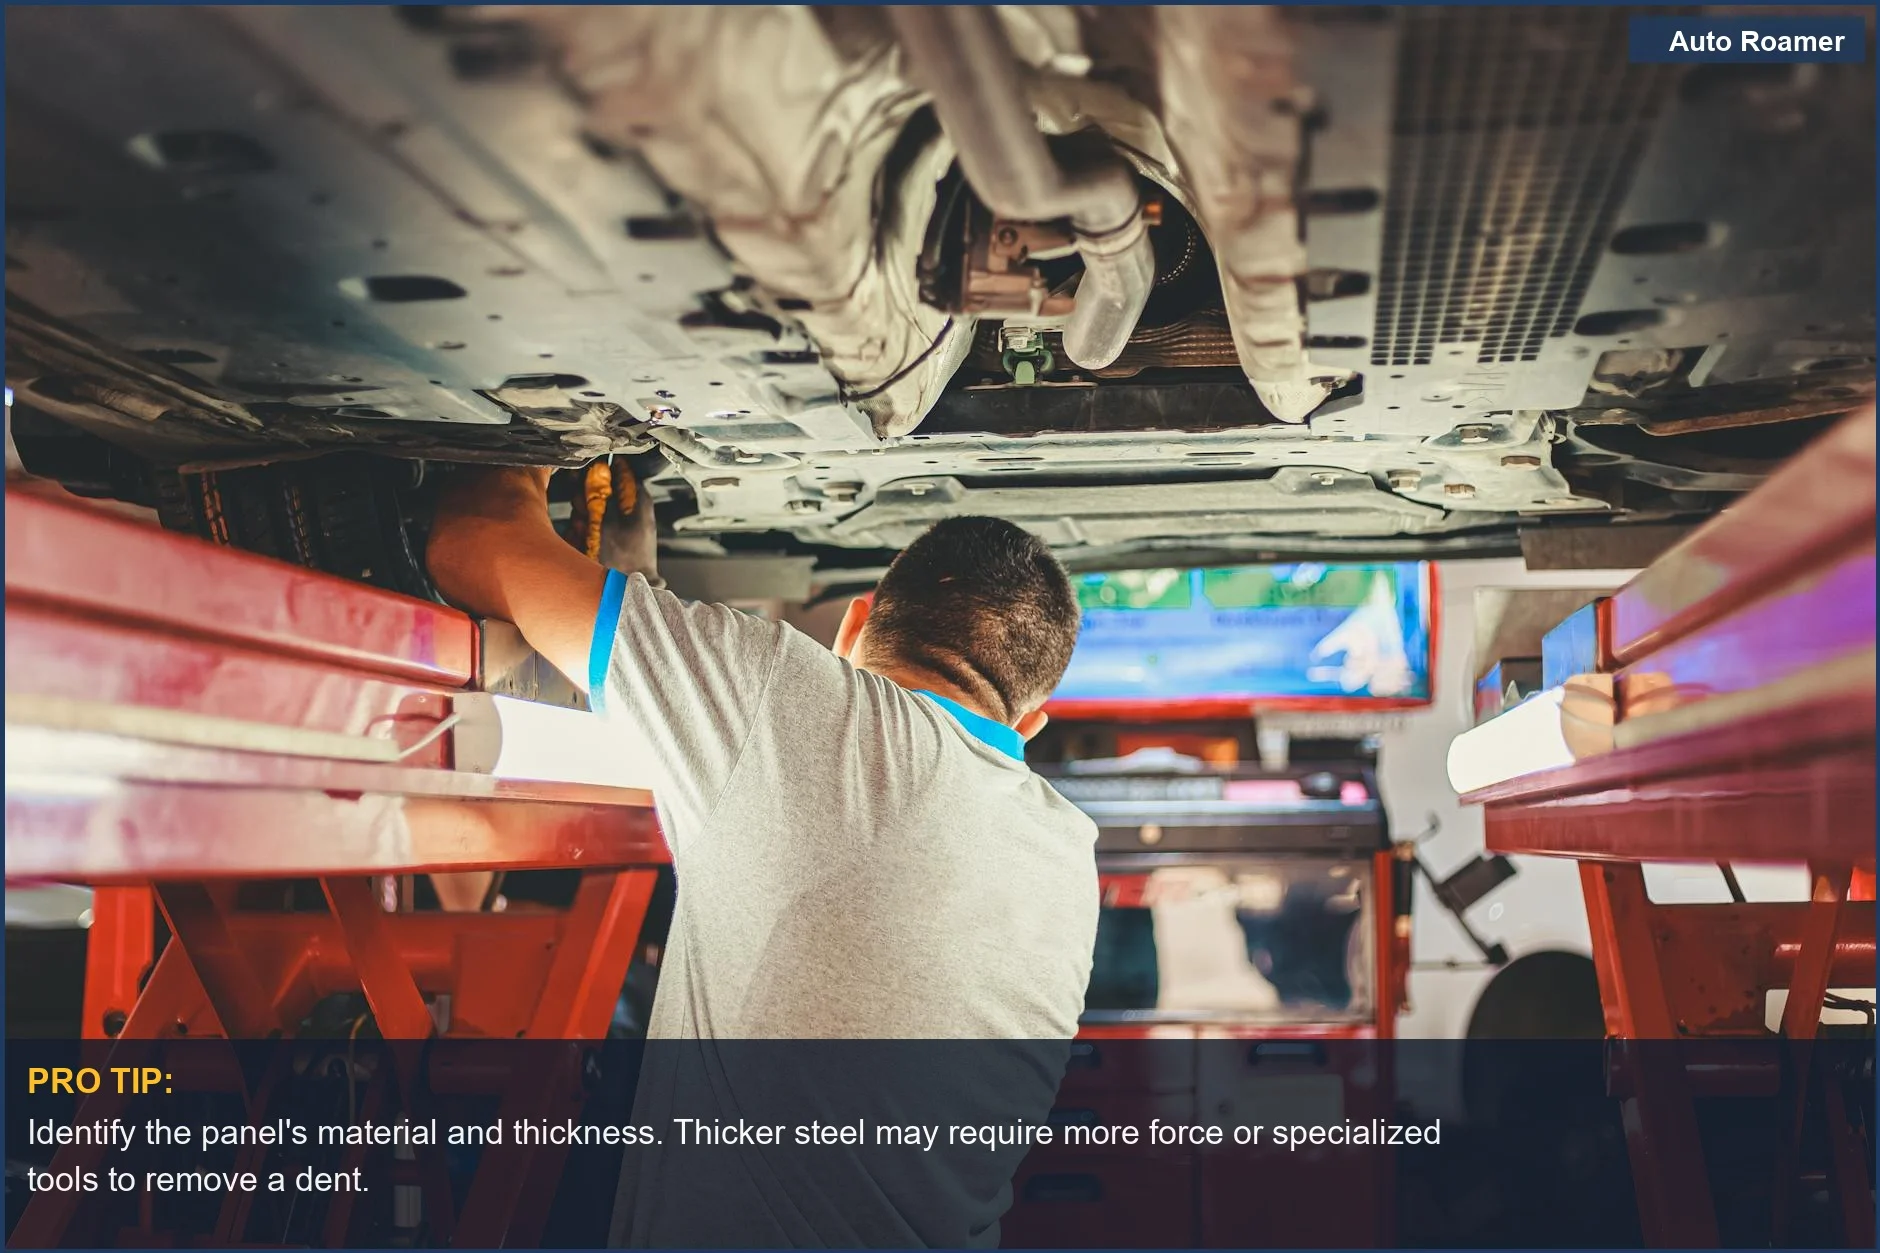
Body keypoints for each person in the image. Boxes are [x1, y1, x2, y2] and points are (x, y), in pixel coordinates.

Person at [425, 465, 1099, 1247]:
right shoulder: (1065, 854)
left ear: (853, 626)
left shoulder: (795, 701)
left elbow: (471, 542)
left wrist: (528, 450)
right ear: (1031, 725)